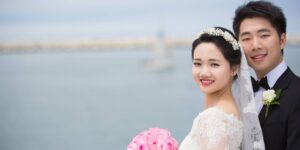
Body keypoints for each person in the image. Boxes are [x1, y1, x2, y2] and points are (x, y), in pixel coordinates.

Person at [179, 27, 264, 150]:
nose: (204, 72)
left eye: (214, 64)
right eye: (197, 63)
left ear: (234, 69)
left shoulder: (214, 119)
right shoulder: (231, 111)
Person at [233, 1, 300, 150]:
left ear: (282, 41)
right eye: (246, 38)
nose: (255, 45)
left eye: (264, 35)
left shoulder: (297, 93)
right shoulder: (239, 93)